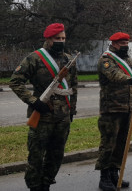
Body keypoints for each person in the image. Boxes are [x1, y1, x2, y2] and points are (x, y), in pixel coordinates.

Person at [10, 23, 78, 191]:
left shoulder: (68, 59)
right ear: (48, 39)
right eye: (57, 39)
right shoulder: (35, 58)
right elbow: (15, 82)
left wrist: (72, 110)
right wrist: (33, 101)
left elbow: (73, 87)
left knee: (56, 155)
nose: (61, 41)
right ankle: (34, 187)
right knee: (36, 157)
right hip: (42, 116)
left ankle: (46, 183)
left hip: (62, 117)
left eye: (63, 38)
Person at [95, 32, 132, 191]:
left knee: (121, 144)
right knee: (108, 144)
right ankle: (104, 177)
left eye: (127, 42)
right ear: (114, 44)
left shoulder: (128, 60)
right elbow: (116, 76)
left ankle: (114, 173)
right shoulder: (106, 60)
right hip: (111, 109)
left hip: (127, 109)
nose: (126, 45)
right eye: (122, 43)